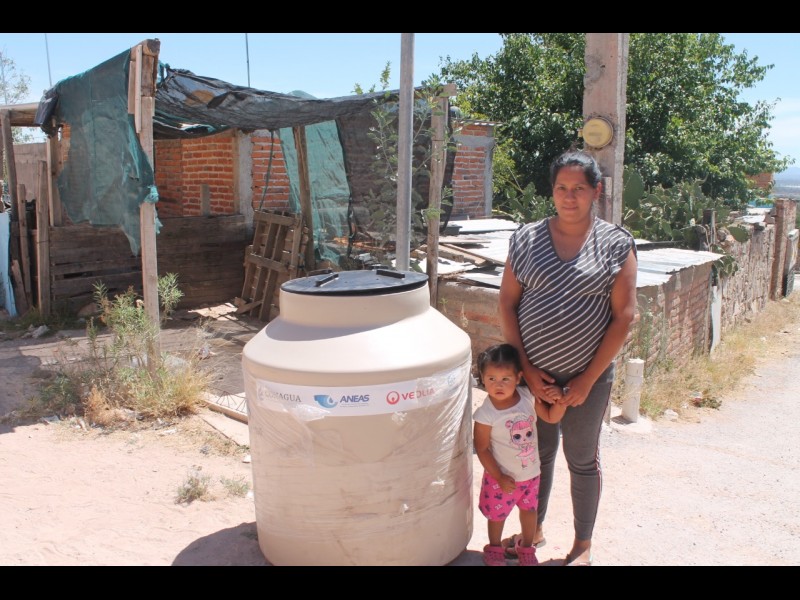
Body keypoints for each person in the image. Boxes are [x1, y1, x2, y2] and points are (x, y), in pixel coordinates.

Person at [497, 149, 638, 566]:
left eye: (579, 188)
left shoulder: (616, 244)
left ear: (596, 191)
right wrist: (526, 370)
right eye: (561, 187)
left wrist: (587, 380)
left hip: (587, 378)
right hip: (533, 375)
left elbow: (624, 316)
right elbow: (507, 303)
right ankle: (533, 532)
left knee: (582, 459)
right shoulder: (526, 239)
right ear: (552, 191)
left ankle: (582, 545)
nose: (569, 197)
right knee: (534, 457)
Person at [473, 343, 566, 566]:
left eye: (505, 378)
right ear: (482, 378)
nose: (498, 385)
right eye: (491, 378)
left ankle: (526, 548)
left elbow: (551, 417)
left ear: (518, 378)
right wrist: (499, 477)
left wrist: (561, 400)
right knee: (497, 516)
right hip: (501, 479)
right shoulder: (486, 413)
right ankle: (495, 548)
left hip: (530, 475)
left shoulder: (527, 397)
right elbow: (482, 448)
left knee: (530, 512)